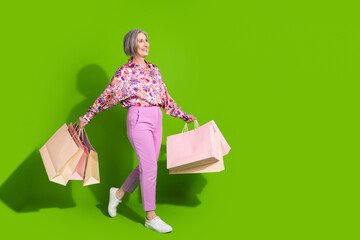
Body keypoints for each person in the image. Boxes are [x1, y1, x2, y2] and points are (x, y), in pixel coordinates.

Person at [78, 28, 196, 233]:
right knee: (150, 168)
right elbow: (106, 95)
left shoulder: (155, 70)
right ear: (132, 45)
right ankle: (151, 216)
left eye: (147, 40)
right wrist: (87, 116)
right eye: (141, 40)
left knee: (146, 166)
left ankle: (118, 194)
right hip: (138, 119)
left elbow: (166, 98)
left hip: (156, 119)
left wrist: (184, 115)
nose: (146, 43)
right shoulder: (125, 72)